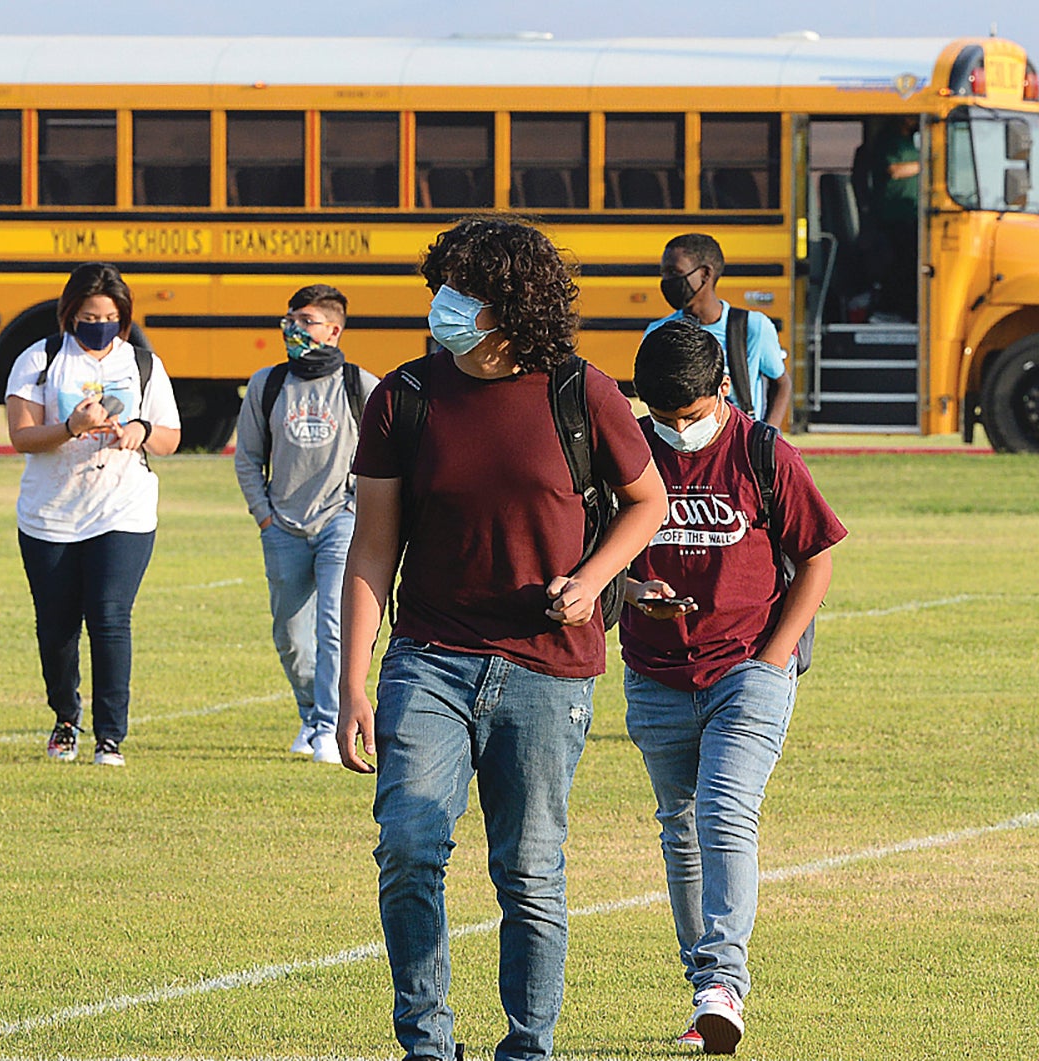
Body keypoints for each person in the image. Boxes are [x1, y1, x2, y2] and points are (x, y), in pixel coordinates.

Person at [336, 217, 668, 1061]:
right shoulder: (404, 396)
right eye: (441, 286)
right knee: (409, 843)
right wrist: (351, 686)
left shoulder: (580, 391)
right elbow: (373, 549)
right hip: (430, 661)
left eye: (463, 291)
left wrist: (591, 584)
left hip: (548, 671)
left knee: (529, 874)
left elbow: (647, 502)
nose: (443, 305)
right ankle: (426, 1045)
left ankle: (528, 1047)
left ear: (512, 304)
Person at [619, 320, 845, 1054]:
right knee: (679, 828)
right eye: (664, 417)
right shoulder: (626, 453)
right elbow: (587, 552)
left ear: (723, 388)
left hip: (747, 666)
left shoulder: (762, 451)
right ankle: (703, 988)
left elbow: (815, 557)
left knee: (723, 811)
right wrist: (628, 590)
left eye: (691, 414)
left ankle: (722, 983)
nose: (680, 430)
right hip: (654, 673)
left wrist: (774, 657)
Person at [5, 262, 182, 768]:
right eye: (88, 315)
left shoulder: (143, 364)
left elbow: (170, 437)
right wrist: (70, 426)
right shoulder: (39, 360)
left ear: (123, 318)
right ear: (69, 314)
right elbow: (21, 436)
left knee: (109, 616)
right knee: (56, 627)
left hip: (122, 510)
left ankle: (110, 736)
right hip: (50, 514)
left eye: (108, 315)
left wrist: (142, 429)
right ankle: (65, 717)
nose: (98, 325)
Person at [233, 284, 377, 762]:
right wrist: (265, 517)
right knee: (291, 636)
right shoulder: (267, 384)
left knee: (334, 627)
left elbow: (384, 462)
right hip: (284, 526)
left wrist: (357, 510)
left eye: (306, 321)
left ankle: (331, 728)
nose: (294, 330)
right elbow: (248, 458)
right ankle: (311, 716)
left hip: (341, 520)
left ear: (334, 330)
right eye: (290, 320)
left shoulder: (361, 386)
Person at [643, 234, 792, 429]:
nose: (666, 280)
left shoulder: (751, 326)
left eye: (674, 271)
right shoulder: (659, 331)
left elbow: (781, 382)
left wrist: (768, 435)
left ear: (705, 274)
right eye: (663, 273)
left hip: (739, 437)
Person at [856, 115, 921, 321]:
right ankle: (891, 308)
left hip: (912, 213)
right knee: (899, 264)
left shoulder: (913, 141)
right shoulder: (888, 140)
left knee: (911, 264)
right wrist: (927, 165)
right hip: (893, 215)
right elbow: (894, 170)